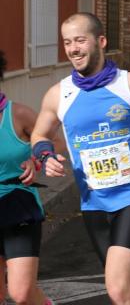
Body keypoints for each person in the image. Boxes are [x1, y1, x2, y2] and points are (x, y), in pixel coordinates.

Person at [31, 12, 130, 305]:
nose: (73, 49)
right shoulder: (58, 94)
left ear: (101, 41)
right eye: (67, 42)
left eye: (80, 40)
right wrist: (45, 154)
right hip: (94, 203)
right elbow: (39, 135)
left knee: (117, 289)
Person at [0, 51, 55, 305]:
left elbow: (55, 142)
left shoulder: (18, 115)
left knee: (21, 293)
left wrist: (37, 159)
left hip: (17, 204)